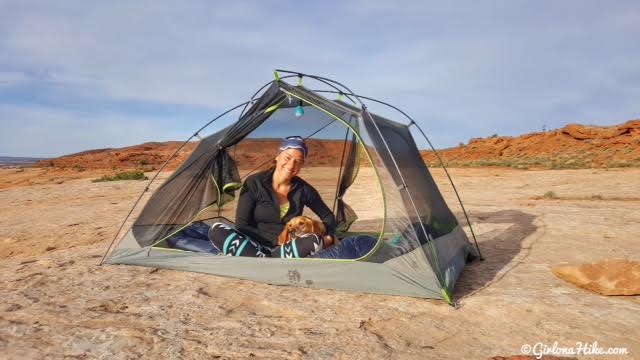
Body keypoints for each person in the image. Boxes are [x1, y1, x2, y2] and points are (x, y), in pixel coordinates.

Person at [209, 136, 337, 258]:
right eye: (288, 158)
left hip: (290, 246)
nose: (291, 165)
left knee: (314, 240)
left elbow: (328, 216)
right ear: (277, 157)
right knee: (217, 230)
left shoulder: (304, 189)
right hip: (254, 242)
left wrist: (329, 237)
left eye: (298, 162)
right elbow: (242, 225)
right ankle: (268, 257)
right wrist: (277, 239)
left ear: (301, 166)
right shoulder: (255, 182)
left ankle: (260, 260)